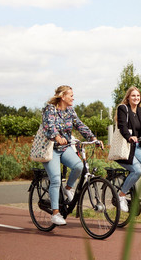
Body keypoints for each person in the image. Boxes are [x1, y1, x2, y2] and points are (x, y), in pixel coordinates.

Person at [41, 85, 98, 226]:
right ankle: (55, 213)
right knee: (55, 180)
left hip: (65, 148)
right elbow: (49, 126)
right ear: (62, 96)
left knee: (79, 166)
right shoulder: (50, 109)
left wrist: (93, 138)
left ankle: (68, 188)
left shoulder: (70, 111)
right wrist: (56, 137)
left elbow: (79, 125)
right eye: (71, 95)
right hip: (51, 149)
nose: (73, 97)